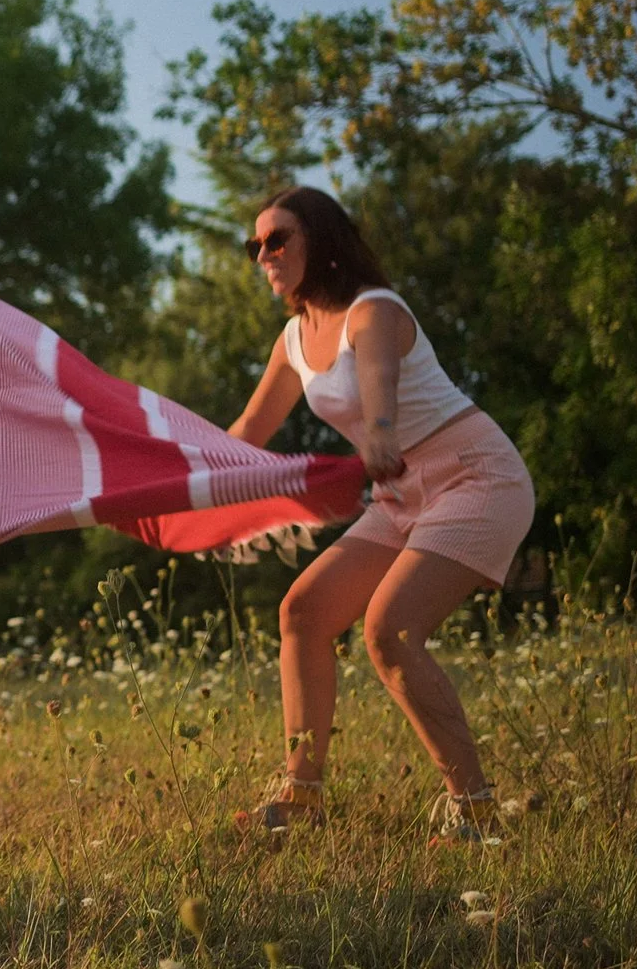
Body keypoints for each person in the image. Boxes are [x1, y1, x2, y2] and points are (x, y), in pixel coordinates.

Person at [225, 187, 535, 844]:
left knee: (389, 632)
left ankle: (474, 812)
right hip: (399, 492)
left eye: (277, 239)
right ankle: (303, 797)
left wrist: (381, 432)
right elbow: (247, 433)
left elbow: (378, 386)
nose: (263, 255)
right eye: (255, 246)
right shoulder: (293, 339)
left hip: (473, 475)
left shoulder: (375, 311)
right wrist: (173, 479)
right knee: (303, 613)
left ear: (322, 241)